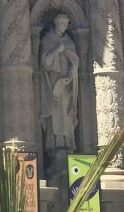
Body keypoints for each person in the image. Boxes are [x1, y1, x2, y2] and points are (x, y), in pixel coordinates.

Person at [39, 12, 80, 161]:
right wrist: (57, 49)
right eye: (61, 24)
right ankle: (55, 147)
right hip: (52, 85)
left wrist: (71, 73)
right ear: (56, 24)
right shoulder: (48, 40)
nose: (64, 27)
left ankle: (68, 145)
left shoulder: (69, 41)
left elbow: (75, 61)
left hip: (66, 83)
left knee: (67, 115)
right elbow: (45, 62)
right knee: (55, 114)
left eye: (66, 24)